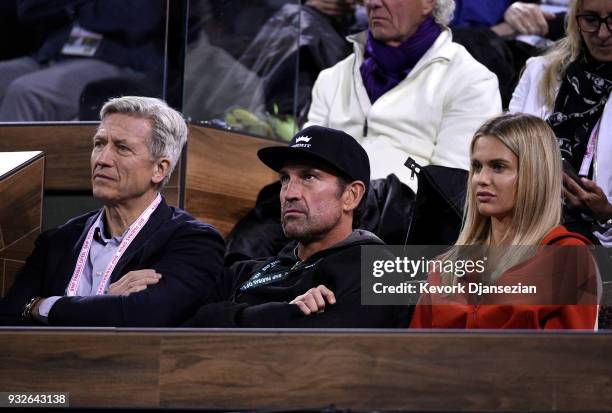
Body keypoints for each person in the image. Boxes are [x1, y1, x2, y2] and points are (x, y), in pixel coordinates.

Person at [0, 96, 225, 326]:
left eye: (122, 148)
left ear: (159, 169)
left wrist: (42, 306)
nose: (102, 159)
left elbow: (147, 314)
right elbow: (8, 316)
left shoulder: (193, 241)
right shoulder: (58, 241)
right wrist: (107, 303)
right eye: (99, 144)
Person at [185, 125, 410, 327]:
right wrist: (283, 313)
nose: (289, 194)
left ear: (351, 195)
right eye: (284, 179)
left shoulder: (381, 273)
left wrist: (233, 316)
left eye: (309, 177)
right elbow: (184, 326)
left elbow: (327, 358)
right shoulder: (243, 271)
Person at [410, 113, 599, 329]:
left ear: (534, 174)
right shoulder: (444, 268)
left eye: (498, 167)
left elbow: (571, 358)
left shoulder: (567, 258)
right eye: (477, 167)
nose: (481, 179)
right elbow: (412, 354)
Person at [305, 0, 502, 193]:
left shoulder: (470, 81)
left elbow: (451, 192)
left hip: (407, 221)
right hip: (324, 216)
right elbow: (304, 164)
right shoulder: (333, 77)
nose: (373, 3)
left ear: (427, 3)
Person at [509, 0, 612, 246]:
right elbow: (506, 151)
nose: (602, 33)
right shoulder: (538, 72)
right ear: (576, 20)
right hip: (525, 223)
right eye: (590, 20)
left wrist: (607, 213)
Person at [0, 0, 165, 121]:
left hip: (114, 60)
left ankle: (13, 168)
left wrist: (71, 9)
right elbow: (28, 9)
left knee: (27, 92)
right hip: (52, 54)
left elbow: (135, 19)